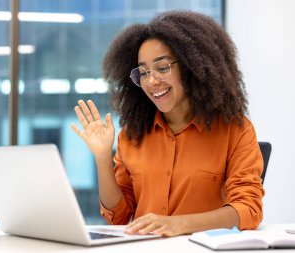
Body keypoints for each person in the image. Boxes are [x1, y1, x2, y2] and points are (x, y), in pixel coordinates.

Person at [71, 10, 264, 237]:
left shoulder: (235, 129)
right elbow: (119, 217)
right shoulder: (131, 135)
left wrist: (180, 224)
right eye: (143, 73)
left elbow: (248, 209)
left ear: (193, 66)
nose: (152, 81)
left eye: (162, 68)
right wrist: (102, 158)